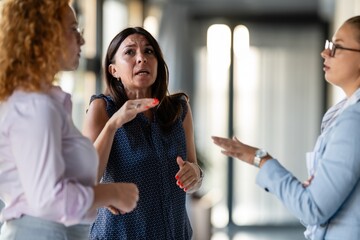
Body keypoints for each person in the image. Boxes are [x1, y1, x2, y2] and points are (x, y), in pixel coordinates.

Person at [0, 1, 140, 239]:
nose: (82, 40)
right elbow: (47, 200)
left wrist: (92, 196)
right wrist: (110, 193)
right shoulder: (36, 106)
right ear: (45, 34)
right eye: (73, 29)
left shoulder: (37, 102)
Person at [212, 15, 360, 240]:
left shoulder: (354, 121)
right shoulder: (343, 114)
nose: (325, 53)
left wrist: (260, 158)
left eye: (337, 47)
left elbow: (313, 209)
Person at [82, 26, 203, 239]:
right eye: (130, 52)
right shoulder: (101, 108)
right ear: (114, 70)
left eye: (149, 51)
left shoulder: (179, 109)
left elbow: (194, 174)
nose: (141, 58)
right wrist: (114, 124)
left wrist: (195, 174)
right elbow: (85, 178)